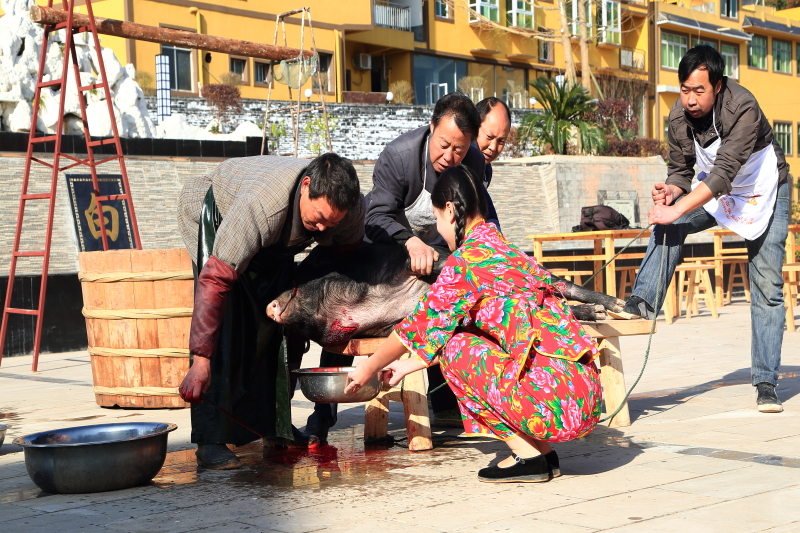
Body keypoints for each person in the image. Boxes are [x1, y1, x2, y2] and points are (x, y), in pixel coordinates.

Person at [346, 165, 602, 483]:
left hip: (556, 406)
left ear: (451, 212)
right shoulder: (510, 253)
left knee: (455, 351)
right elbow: (471, 333)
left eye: (438, 220)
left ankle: (528, 457)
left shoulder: (466, 262)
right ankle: (545, 455)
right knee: (470, 340)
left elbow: (417, 328)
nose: (439, 231)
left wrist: (368, 368)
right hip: (584, 398)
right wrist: (409, 367)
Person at [623, 45, 789, 413]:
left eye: (699, 91)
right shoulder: (678, 117)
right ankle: (644, 303)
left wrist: (676, 207)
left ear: (718, 86)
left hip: (764, 191)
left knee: (767, 286)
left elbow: (723, 173)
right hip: (717, 192)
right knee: (674, 220)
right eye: (685, 89)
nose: (691, 99)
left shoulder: (742, 105)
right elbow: (682, 171)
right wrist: (671, 191)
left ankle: (765, 382)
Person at [177, 153, 365, 469]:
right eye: (317, 216)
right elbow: (214, 281)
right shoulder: (262, 205)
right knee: (227, 325)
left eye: (330, 223)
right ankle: (210, 439)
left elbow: (342, 259)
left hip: (273, 246)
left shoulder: (350, 212)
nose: (321, 228)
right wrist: (200, 360)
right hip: (217, 216)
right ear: (306, 186)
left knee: (278, 325)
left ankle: (274, 427)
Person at [363, 92, 494, 428]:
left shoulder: (476, 163)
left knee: (464, 308)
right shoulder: (399, 156)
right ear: (432, 126)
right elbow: (375, 216)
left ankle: (451, 405)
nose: (449, 157)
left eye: (459, 150)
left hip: (442, 258)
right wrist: (410, 242)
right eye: (443, 144)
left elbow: (480, 216)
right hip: (389, 253)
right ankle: (324, 415)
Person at [475, 96, 512, 190]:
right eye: (489, 137)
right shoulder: (458, 165)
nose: (493, 147)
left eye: (501, 141)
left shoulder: (486, 171)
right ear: (474, 128)